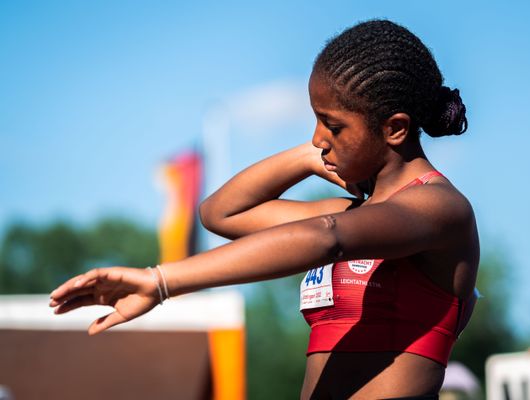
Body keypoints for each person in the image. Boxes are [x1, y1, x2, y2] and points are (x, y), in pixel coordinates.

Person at [49, 19, 479, 399]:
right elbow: (221, 214)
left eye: (332, 126)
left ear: (395, 128)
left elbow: (324, 238)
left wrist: (161, 282)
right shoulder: (353, 212)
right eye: (316, 120)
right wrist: (308, 159)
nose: (317, 137)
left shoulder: (439, 209)